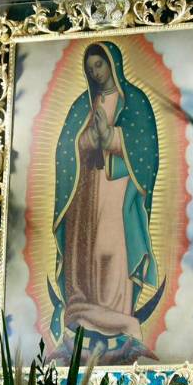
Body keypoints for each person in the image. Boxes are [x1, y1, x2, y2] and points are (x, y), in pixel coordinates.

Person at [49, 41, 163, 364]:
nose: (95, 73)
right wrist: (89, 140)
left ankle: (117, 319)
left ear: (112, 64)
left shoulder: (136, 103)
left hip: (118, 190)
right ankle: (83, 317)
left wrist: (112, 137)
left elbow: (146, 152)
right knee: (85, 253)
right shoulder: (81, 106)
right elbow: (64, 151)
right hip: (86, 192)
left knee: (111, 252)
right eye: (90, 69)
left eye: (99, 65)